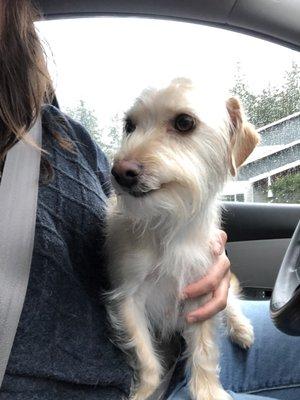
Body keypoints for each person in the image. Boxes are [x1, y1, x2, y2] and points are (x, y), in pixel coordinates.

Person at [0, 1, 299, 399]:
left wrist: (216, 283)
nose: (125, 163)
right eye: (132, 125)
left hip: (176, 341)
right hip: (115, 384)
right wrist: (148, 376)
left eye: (183, 124)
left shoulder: (62, 134)